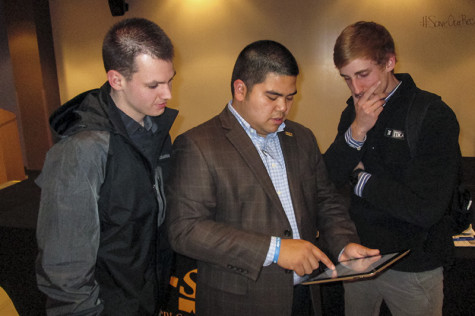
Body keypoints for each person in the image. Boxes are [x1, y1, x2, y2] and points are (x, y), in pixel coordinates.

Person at [165, 40, 379, 316]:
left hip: (304, 296)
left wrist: (343, 244)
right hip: (239, 302)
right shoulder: (199, 144)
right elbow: (185, 230)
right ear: (240, 89)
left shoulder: (301, 137)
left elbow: (326, 201)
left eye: (290, 97)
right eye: (272, 96)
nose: (283, 108)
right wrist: (275, 250)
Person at [35, 18, 178, 315]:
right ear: (116, 80)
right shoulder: (81, 151)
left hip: (149, 299)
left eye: (170, 80)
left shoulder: (158, 134)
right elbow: (64, 272)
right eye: (154, 85)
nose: (168, 94)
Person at [324, 21, 461, 316]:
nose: (356, 88)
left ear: (389, 62)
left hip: (414, 265)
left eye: (363, 75)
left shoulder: (431, 114)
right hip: (360, 258)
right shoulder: (352, 111)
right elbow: (328, 177)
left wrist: (360, 179)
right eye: (346, 78)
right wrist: (356, 131)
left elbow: (425, 209)